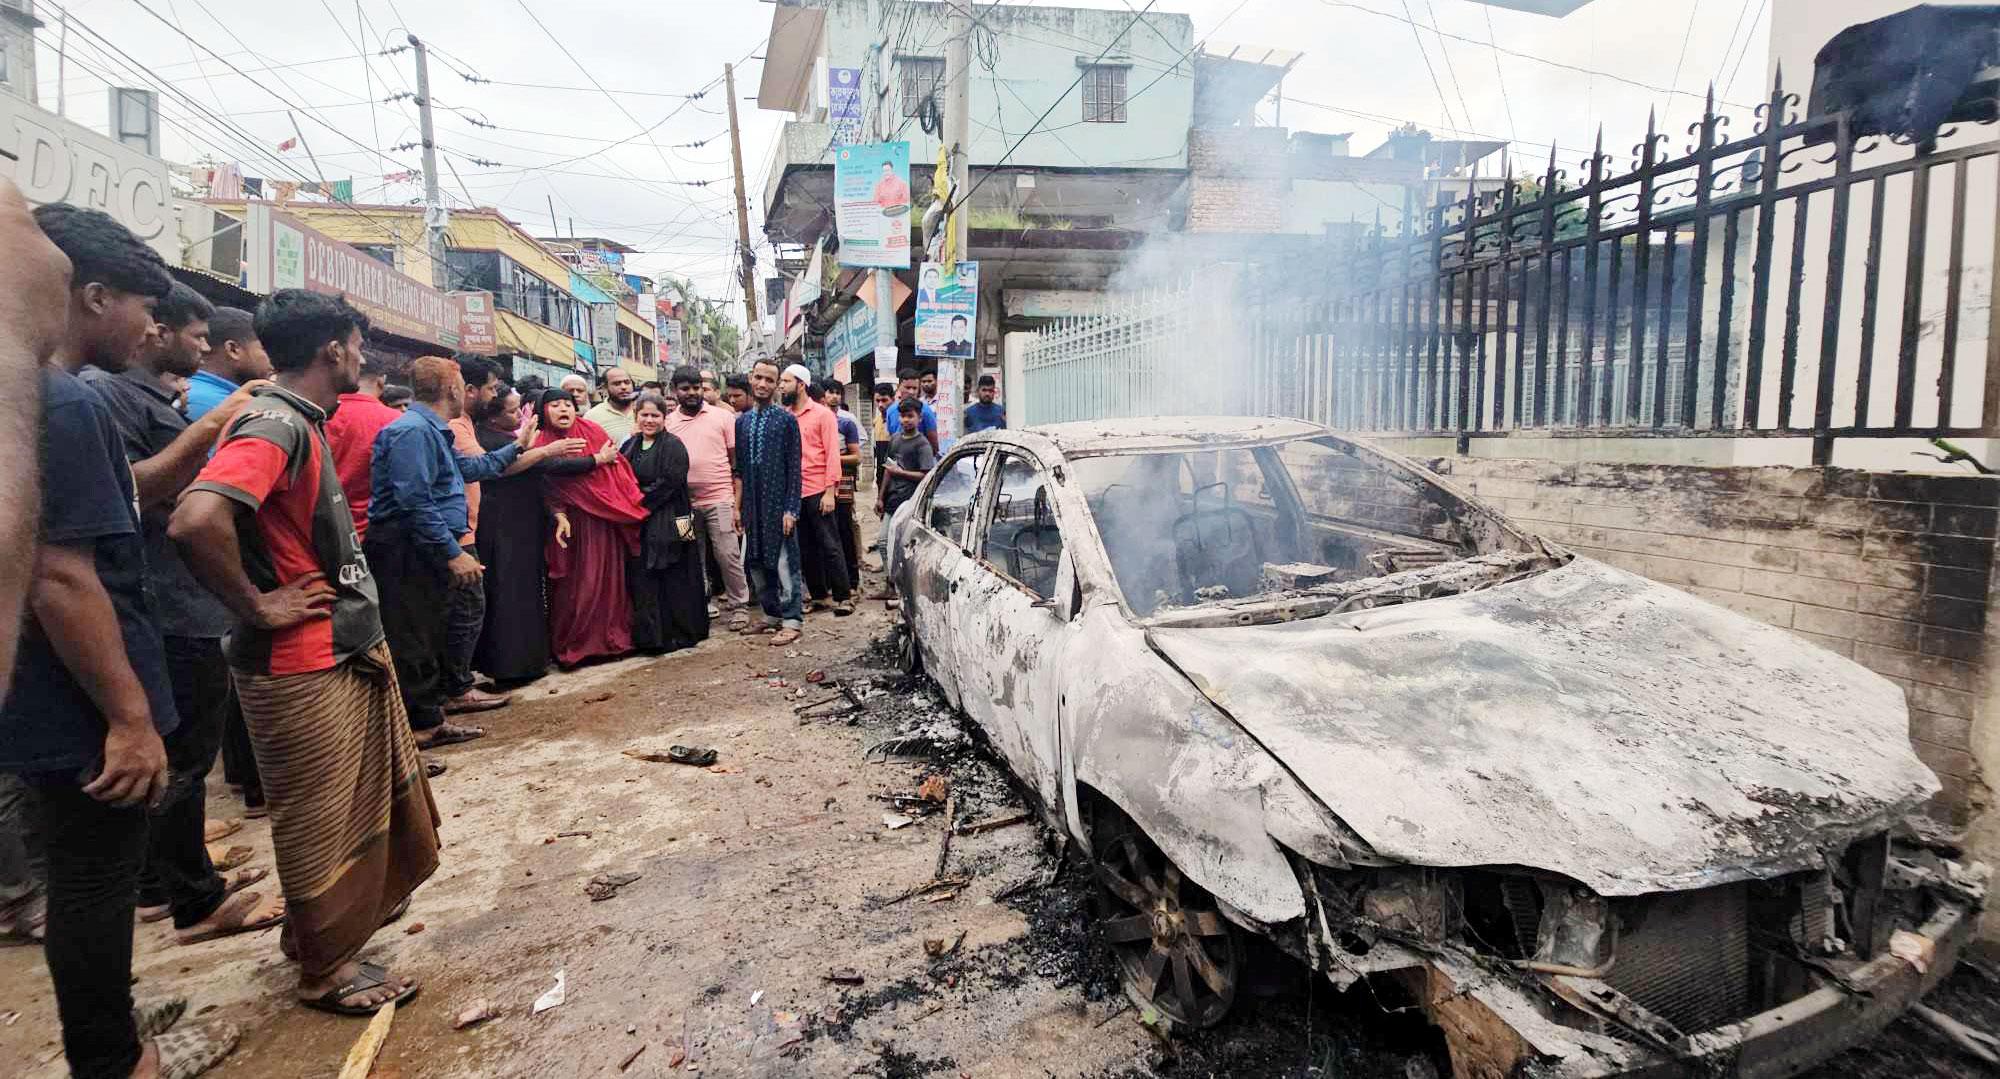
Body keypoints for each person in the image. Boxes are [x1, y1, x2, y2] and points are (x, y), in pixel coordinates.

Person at [8, 202, 242, 1079]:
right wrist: (130, 715)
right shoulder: (59, 403)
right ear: (89, 293)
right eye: (146, 306)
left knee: (83, 879)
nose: (153, 326)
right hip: (81, 698)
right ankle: (116, 1059)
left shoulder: (39, 400)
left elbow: (122, 501)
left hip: (47, 690)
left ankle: (115, 1039)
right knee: (93, 884)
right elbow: (62, 578)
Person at [170, 289, 437, 1021]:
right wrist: (258, 604)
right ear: (333, 350)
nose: (360, 358)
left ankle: (318, 935)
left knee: (349, 808)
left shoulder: (296, 421)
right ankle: (325, 967)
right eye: (356, 346)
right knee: (319, 817)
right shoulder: (276, 423)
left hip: (331, 648)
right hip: (301, 659)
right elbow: (197, 519)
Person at [79, 281, 288, 948]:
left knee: (183, 756)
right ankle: (193, 899)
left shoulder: (142, 396)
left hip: (180, 598)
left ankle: (164, 879)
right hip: (170, 601)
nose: (201, 347)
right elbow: (132, 493)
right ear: (152, 328)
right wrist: (209, 425)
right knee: (184, 757)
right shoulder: (102, 394)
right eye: (191, 334)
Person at [368, 357, 559, 748]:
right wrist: (452, 551)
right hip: (409, 550)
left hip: (425, 546)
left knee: (434, 629)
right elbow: (415, 501)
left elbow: (473, 468)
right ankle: (422, 726)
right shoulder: (413, 433)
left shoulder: (431, 431)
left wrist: (518, 447)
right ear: (454, 390)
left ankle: (434, 714)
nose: (481, 395)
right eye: (472, 388)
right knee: (415, 637)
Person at [471, 389, 596, 683]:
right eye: (514, 412)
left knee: (525, 592)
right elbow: (542, 465)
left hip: (524, 526)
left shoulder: (510, 438)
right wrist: (594, 460)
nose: (519, 417)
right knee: (509, 594)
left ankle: (526, 660)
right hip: (504, 528)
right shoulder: (490, 441)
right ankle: (512, 665)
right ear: (493, 415)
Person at [534, 389, 646, 667]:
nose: (563, 410)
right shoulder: (541, 441)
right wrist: (596, 461)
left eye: (568, 405)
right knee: (575, 587)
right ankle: (575, 644)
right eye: (555, 405)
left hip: (603, 520)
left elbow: (616, 470)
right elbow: (547, 477)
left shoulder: (592, 430)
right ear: (543, 410)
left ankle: (611, 639)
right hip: (569, 524)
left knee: (608, 583)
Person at [663, 365, 750, 629]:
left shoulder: (723, 418)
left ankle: (740, 606)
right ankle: (701, 604)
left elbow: (737, 464)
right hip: (684, 505)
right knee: (692, 555)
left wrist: (736, 505)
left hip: (720, 500)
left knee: (727, 553)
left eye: (696, 388)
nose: (692, 393)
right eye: (685, 389)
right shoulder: (667, 423)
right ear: (674, 391)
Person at [622, 395, 709, 653]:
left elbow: (670, 482)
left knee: (682, 568)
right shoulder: (629, 445)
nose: (649, 420)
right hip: (642, 520)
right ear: (636, 416)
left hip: (679, 518)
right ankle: (654, 636)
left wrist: (640, 502)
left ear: (664, 418)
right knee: (648, 576)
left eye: (655, 416)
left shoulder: (674, 445)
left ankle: (684, 630)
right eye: (644, 415)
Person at [735, 360, 804, 646]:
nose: (763, 384)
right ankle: (771, 614)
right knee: (755, 562)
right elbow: (739, 470)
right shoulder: (742, 422)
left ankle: (792, 620)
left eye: (769, 380)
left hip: (779, 504)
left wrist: (791, 508)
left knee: (785, 563)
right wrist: (737, 508)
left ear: (777, 385)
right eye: (758, 377)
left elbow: (795, 467)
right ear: (751, 379)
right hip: (752, 506)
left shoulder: (786, 421)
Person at [783, 364, 851, 616]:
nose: (781, 386)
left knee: (830, 545)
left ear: (801, 384)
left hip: (818, 489)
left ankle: (844, 596)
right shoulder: (786, 415)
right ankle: (820, 596)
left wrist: (829, 491)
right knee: (806, 547)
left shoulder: (823, 415)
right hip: (794, 492)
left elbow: (832, 454)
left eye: (786, 381)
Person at [324, 355, 406, 540]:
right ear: (381, 380)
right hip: (375, 533)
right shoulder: (397, 422)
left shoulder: (319, 412)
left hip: (323, 530)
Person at [184, 306, 272, 421]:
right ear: (233, 349)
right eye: (265, 349)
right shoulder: (218, 406)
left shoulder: (189, 392)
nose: (273, 358)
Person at [824, 378, 865, 591]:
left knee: (844, 527)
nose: (834, 396)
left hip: (843, 479)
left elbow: (856, 457)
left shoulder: (846, 422)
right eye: (830, 392)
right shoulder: (816, 419)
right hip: (820, 480)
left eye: (838, 392)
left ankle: (852, 578)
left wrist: (830, 458)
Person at [884, 397, 938, 518]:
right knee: (884, 537)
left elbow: (926, 476)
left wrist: (901, 473)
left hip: (912, 501)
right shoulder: (895, 439)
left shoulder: (923, 444)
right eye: (903, 416)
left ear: (920, 418)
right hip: (893, 499)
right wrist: (880, 498)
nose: (906, 420)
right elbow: (888, 469)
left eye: (910, 416)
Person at [586, 367, 639, 444]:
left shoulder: (644, 411)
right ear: (605, 387)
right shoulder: (592, 416)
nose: (623, 387)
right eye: (617, 384)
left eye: (627, 382)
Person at [870, 382, 895, 490]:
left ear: (892, 399)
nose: (880, 404)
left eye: (884, 400)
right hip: (881, 472)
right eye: (877, 401)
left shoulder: (898, 419)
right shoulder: (877, 420)